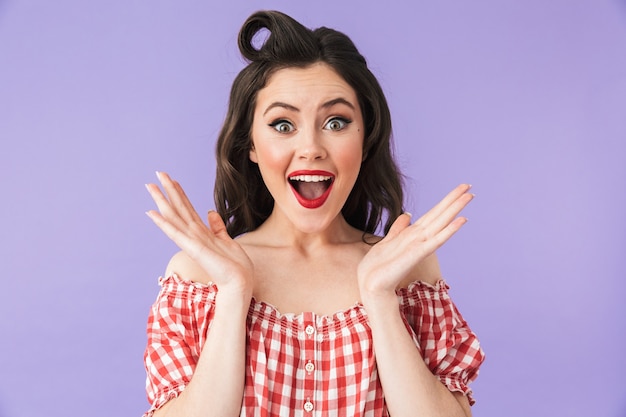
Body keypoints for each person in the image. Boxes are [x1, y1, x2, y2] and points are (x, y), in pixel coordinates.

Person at [143, 9, 484, 417]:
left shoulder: (409, 272)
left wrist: (378, 297)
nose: (311, 148)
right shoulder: (200, 278)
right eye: (283, 125)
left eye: (336, 122)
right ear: (250, 145)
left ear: (366, 139)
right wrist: (234, 293)